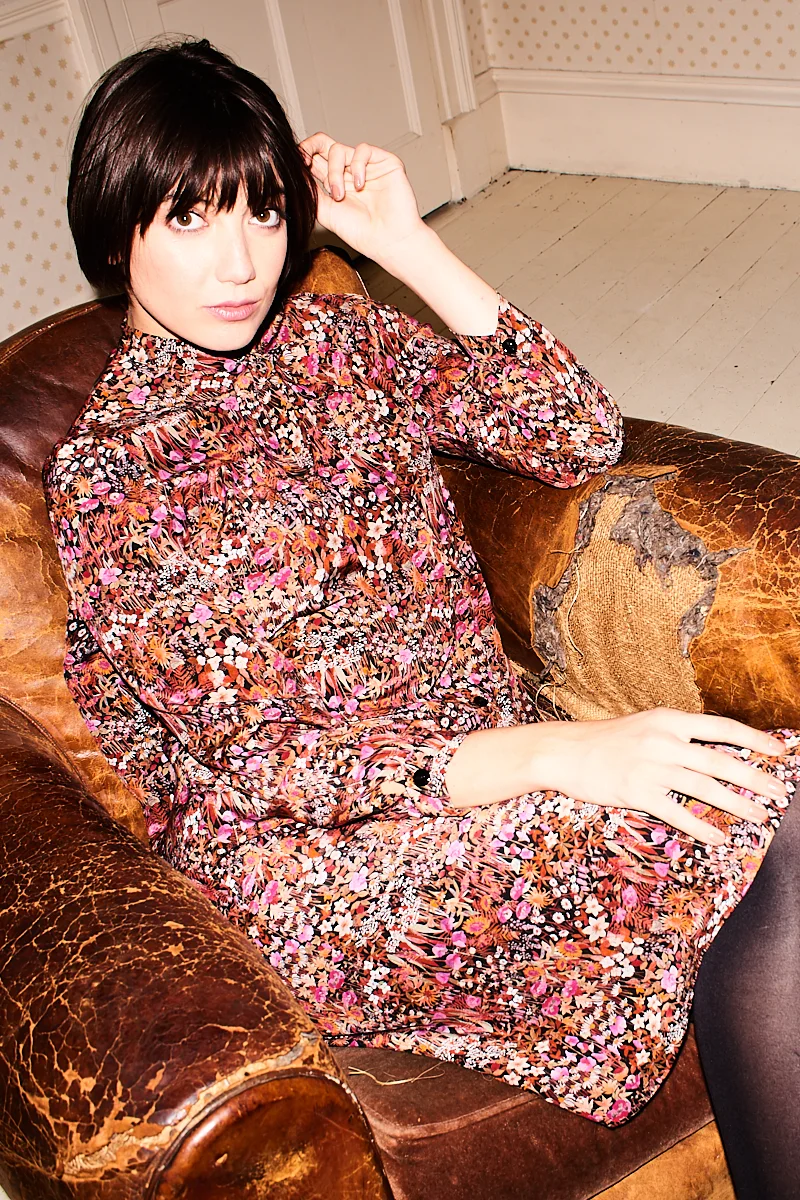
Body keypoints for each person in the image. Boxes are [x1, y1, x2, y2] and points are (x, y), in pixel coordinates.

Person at [45, 38, 800, 1197]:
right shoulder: (111, 477)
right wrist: (569, 752)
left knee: (770, 806)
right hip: (314, 858)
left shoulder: (335, 340)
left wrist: (406, 244)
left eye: (259, 211)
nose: (239, 261)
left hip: (486, 754)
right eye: (188, 221)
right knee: (750, 823)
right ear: (116, 237)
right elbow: (272, 765)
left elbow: (571, 434)